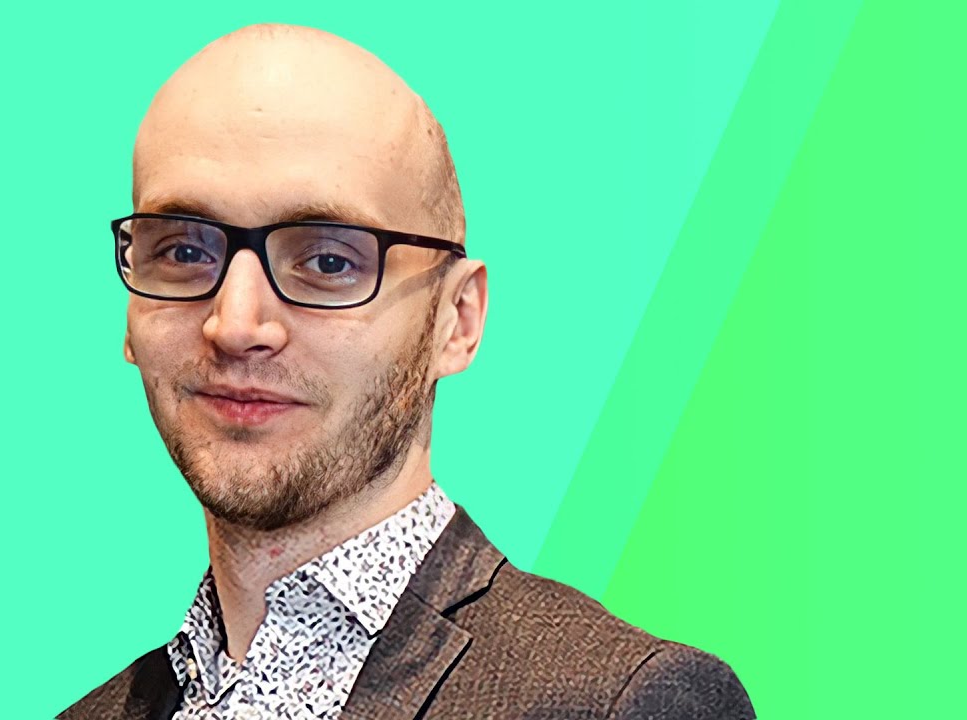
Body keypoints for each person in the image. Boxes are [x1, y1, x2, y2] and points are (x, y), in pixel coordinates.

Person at [59, 23, 755, 720]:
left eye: (329, 261)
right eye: (183, 252)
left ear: (457, 320)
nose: (236, 325)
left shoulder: (619, 702)